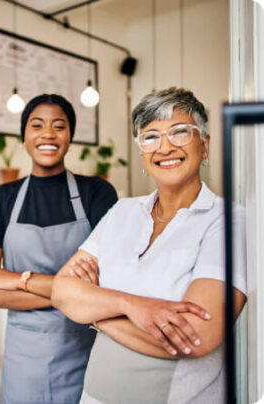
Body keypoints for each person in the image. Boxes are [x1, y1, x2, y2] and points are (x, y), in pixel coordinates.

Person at [52, 87, 247, 403]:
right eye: (151, 136)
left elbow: (195, 337)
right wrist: (134, 306)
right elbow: (62, 291)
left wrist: (95, 312)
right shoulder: (123, 211)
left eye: (180, 132)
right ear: (142, 151)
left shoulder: (230, 222)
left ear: (205, 144)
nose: (165, 147)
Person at [0, 94, 118, 404]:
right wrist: (72, 293)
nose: (48, 134)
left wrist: (15, 279)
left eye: (59, 126)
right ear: (24, 136)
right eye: (37, 125)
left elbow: (107, 283)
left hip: (87, 348)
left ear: (70, 137)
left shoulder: (98, 193)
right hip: (24, 359)